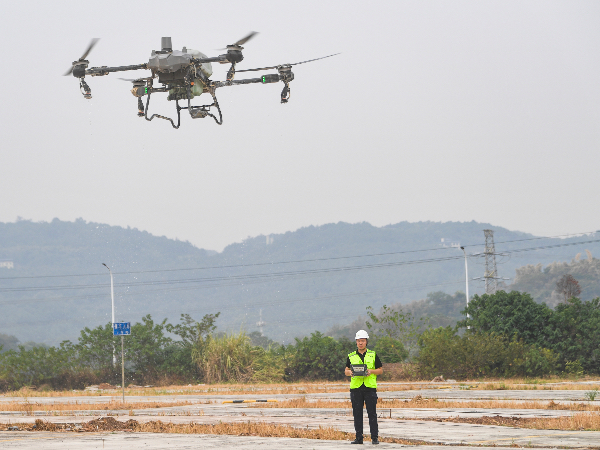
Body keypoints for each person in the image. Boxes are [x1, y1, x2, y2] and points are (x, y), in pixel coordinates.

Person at [345, 329, 383, 445]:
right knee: (357, 413)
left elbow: (380, 370)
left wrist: (371, 371)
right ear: (356, 342)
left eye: (362, 341)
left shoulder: (373, 355)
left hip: (369, 388)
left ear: (366, 342)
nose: (360, 343)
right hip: (356, 388)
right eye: (358, 341)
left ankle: (374, 438)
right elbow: (346, 370)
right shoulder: (351, 356)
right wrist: (350, 373)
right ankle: (359, 437)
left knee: (372, 413)